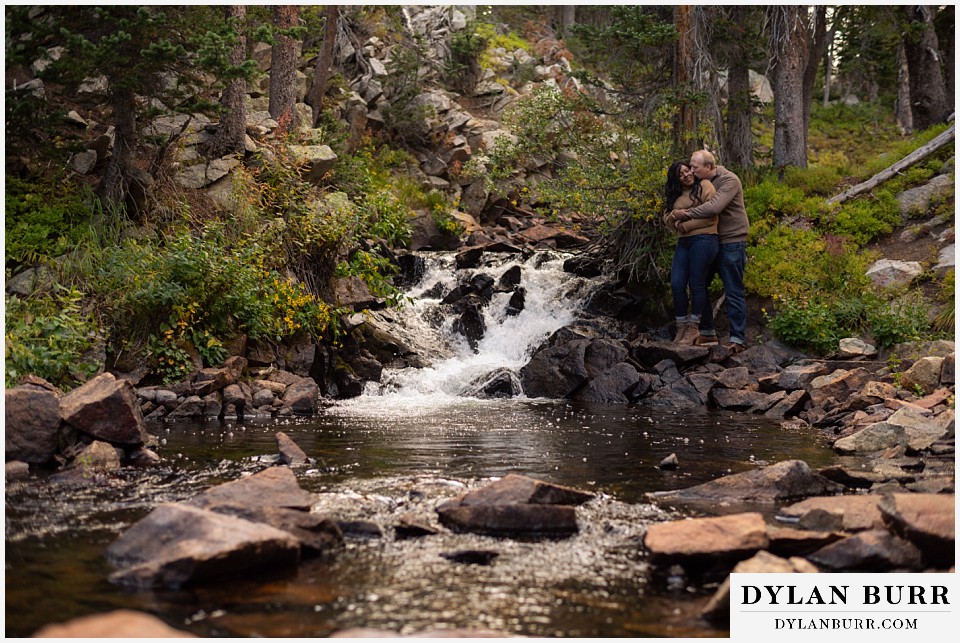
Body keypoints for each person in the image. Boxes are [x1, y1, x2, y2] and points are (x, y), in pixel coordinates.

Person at [672, 150, 750, 353]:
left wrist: (685, 215)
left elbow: (714, 207)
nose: (691, 171)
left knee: (733, 289)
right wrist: (674, 217)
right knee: (699, 285)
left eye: (695, 167)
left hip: (731, 241)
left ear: (708, 167)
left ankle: (738, 339)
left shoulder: (728, 180)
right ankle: (707, 332)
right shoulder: (698, 184)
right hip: (709, 241)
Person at [662, 161, 719, 346]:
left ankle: (694, 329)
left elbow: (712, 215)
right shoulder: (675, 195)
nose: (686, 175)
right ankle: (681, 328)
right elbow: (667, 220)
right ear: (676, 179)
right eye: (681, 174)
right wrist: (674, 216)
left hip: (704, 240)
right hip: (683, 243)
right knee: (677, 284)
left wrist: (684, 225)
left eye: (688, 170)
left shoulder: (704, 185)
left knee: (696, 284)